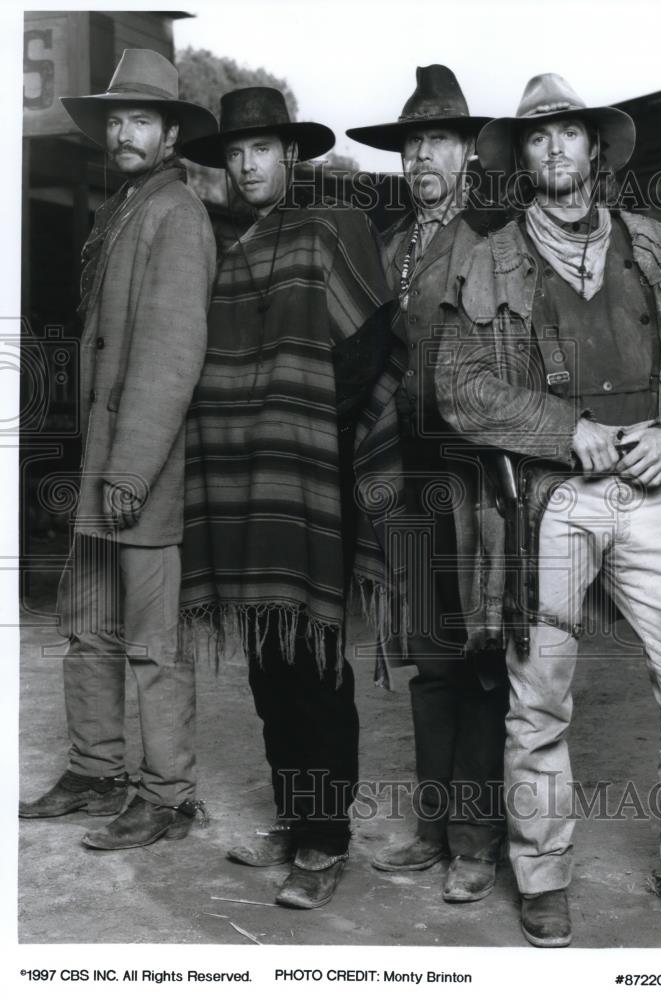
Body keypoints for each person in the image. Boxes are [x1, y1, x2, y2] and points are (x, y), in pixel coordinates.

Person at [436, 73, 661, 944]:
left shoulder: (656, 248)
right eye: (536, 137)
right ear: (523, 156)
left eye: (568, 133)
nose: (554, 148)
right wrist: (560, 427)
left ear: (596, 148)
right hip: (550, 502)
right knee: (538, 703)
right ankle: (542, 877)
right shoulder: (489, 257)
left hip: (656, 495)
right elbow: (458, 389)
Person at [180, 88, 404, 909]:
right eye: (236, 153)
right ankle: (292, 813)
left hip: (312, 476)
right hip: (243, 484)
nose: (246, 165)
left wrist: (302, 413)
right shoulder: (222, 245)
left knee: (313, 662)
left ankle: (325, 840)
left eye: (262, 149)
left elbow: (375, 339)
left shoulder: (332, 228)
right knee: (268, 664)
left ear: (291, 155)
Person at [19, 49, 218, 849]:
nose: (124, 132)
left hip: (142, 473)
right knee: (89, 627)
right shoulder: (123, 209)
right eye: (116, 121)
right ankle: (97, 769)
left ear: (170, 133)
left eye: (140, 119)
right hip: (105, 467)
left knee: (151, 644)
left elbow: (174, 354)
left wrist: (132, 469)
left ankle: (168, 797)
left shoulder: (177, 213)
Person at [347, 66, 509, 904]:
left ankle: (478, 845)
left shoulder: (491, 245)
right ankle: (434, 829)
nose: (422, 157)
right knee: (430, 663)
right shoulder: (385, 247)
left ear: (469, 154)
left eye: (438, 141)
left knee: (482, 660)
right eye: (411, 144)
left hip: (472, 482)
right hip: (403, 480)